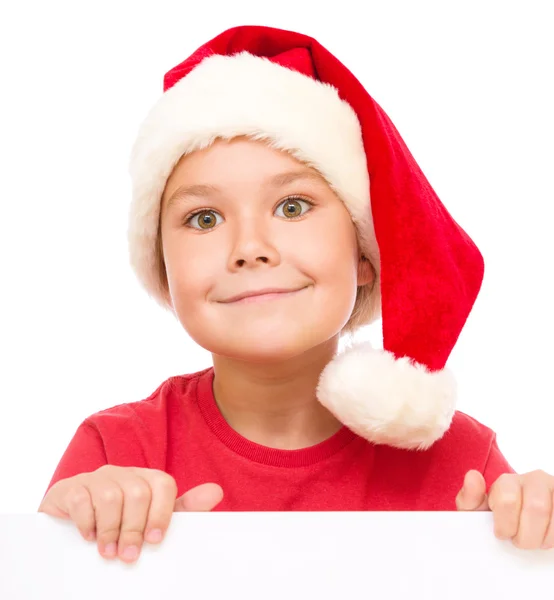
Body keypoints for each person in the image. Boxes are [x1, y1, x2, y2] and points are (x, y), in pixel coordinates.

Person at [38, 25, 554, 564]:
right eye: (204, 217)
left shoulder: (463, 467)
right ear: (163, 269)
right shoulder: (113, 458)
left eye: (292, 207)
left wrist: (527, 549)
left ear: (364, 254)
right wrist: (67, 541)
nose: (250, 248)